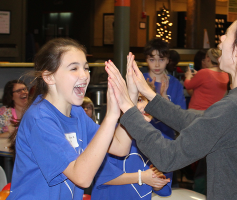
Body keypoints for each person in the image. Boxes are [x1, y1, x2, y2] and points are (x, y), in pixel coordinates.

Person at [107, 12, 237, 199]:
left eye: (227, 34)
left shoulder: (236, 107)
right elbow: (197, 122)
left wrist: (128, 108)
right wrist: (150, 94)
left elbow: (168, 157)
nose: (221, 38)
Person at [7, 38, 132, 200]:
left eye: (86, 68)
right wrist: (111, 116)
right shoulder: (40, 118)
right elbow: (81, 177)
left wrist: (129, 102)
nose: (85, 75)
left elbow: (120, 147)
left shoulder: (77, 113)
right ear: (49, 77)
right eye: (74, 68)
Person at [91, 57, 171, 199]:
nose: (143, 106)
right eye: (137, 99)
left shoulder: (161, 138)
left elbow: (165, 188)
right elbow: (101, 177)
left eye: (145, 100)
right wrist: (142, 177)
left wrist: (158, 183)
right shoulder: (108, 133)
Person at [143, 38, 186, 140]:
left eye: (161, 59)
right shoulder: (140, 82)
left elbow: (181, 118)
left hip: (167, 139)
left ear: (167, 60)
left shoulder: (175, 84)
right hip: (142, 138)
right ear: (146, 60)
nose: (157, 64)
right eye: (152, 60)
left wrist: (165, 100)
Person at [184, 48, 229, 113]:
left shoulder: (204, 72)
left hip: (197, 111)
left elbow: (188, 85)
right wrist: (198, 74)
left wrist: (188, 76)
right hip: (215, 112)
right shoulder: (226, 74)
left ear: (208, 59)